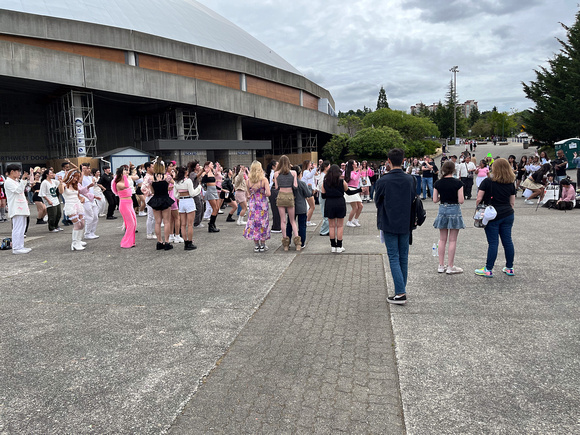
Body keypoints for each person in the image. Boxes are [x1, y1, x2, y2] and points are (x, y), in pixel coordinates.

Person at [374, 148, 415, 304]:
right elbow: (413, 197)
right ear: (403, 160)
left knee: (393, 256)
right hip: (406, 221)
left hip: (389, 221)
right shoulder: (410, 179)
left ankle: (400, 292)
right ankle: (401, 289)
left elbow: (378, 201)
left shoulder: (383, 181)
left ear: (388, 161)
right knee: (403, 256)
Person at [474, 158, 516, 277]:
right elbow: (512, 202)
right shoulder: (510, 182)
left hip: (492, 214)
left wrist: (478, 210)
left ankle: (488, 268)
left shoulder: (487, 182)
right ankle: (509, 267)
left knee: (493, 242)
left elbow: (479, 198)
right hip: (508, 213)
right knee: (507, 241)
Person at [432, 161, 465, 274]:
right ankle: (450, 266)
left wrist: (443, 196)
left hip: (442, 209)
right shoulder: (458, 183)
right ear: (453, 170)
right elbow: (461, 200)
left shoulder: (438, 183)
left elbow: (435, 200)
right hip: (454, 209)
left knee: (442, 239)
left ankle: (441, 265)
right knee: (453, 240)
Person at [321, 164, 361, 253]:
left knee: (331, 226)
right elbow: (349, 192)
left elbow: (323, 196)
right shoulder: (342, 182)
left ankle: (332, 246)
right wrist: (359, 190)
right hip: (340, 202)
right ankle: (339, 246)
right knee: (340, 226)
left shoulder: (325, 182)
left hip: (329, 203)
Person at [273, 155, 300, 251]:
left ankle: (285, 244)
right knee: (292, 221)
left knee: (283, 221)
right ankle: (297, 243)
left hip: (280, 196)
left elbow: (276, 187)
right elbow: (295, 185)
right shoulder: (293, 172)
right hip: (289, 196)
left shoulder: (276, 174)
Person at [243, 160, 271, 252]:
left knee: (253, 223)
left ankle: (256, 245)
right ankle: (263, 245)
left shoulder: (248, 181)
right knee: (263, 222)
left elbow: (248, 194)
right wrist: (262, 192)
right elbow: (268, 193)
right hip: (262, 203)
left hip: (252, 203)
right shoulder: (264, 180)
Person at [4, 164, 32, 254]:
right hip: (16, 207)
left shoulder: (16, 181)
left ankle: (20, 246)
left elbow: (22, 190)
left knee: (22, 227)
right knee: (17, 228)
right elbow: (18, 190)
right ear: (12, 172)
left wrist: (23, 181)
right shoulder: (8, 182)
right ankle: (16, 248)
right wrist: (23, 180)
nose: (20, 173)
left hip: (21, 206)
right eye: (18, 171)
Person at [148, 159, 175, 250]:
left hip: (156, 199)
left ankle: (159, 242)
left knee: (157, 222)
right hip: (165, 198)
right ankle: (167, 242)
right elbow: (174, 184)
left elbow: (152, 191)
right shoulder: (167, 177)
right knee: (167, 222)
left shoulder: (151, 178)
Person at [174, 166, 201, 250]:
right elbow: (192, 193)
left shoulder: (176, 181)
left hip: (181, 202)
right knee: (190, 224)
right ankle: (190, 242)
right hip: (189, 201)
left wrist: (180, 196)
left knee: (183, 224)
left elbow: (176, 195)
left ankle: (185, 242)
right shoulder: (188, 181)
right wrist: (199, 188)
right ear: (186, 172)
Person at [62, 165, 88, 251]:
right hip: (70, 206)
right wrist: (61, 182)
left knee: (82, 223)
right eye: (75, 177)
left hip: (78, 205)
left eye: (77, 178)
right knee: (77, 224)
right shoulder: (64, 185)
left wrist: (82, 199)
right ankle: (74, 243)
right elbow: (61, 191)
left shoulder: (75, 185)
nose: (76, 179)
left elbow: (77, 196)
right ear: (71, 177)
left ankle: (79, 240)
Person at [286, 166, 311, 249]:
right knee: (302, 225)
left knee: (289, 224)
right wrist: (310, 188)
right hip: (301, 207)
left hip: (290, 205)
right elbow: (308, 194)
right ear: (300, 173)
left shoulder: (288, 183)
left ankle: (288, 241)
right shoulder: (301, 183)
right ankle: (302, 242)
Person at [80, 163, 100, 240]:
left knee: (95, 216)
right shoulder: (81, 177)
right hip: (85, 199)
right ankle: (87, 233)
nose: (88, 170)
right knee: (89, 217)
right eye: (86, 168)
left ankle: (92, 232)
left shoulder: (90, 177)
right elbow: (80, 183)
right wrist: (82, 171)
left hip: (92, 198)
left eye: (89, 168)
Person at [201, 161, 221, 233]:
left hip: (215, 191)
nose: (212, 165)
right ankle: (211, 225)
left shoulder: (212, 172)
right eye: (211, 164)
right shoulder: (205, 173)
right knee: (214, 208)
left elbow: (216, 174)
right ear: (208, 165)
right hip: (210, 191)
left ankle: (213, 224)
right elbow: (202, 181)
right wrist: (205, 173)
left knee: (217, 208)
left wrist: (217, 167)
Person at [344, 160, 363, 227]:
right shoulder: (350, 172)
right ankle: (349, 221)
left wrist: (358, 171)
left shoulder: (354, 172)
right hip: (351, 189)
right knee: (355, 207)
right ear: (352, 165)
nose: (356, 164)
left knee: (360, 206)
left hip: (355, 189)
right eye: (355, 163)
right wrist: (359, 171)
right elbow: (355, 178)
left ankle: (355, 219)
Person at [265, 160, 281, 233]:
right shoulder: (273, 173)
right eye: (277, 165)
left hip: (273, 191)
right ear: (273, 166)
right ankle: (276, 227)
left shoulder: (274, 173)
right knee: (276, 210)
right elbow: (273, 182)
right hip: (273, 191)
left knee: (276, 210)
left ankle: (277, 225)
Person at [316, 161, 330, 236]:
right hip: (323, 195)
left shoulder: (324, 175)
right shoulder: (322, 176)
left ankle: (326, 229)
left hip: (325, 195)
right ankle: (323, 231)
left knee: (327, 213)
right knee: (325, 214)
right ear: (326, 167)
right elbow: (321, 186)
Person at [302, 160, 317, 225]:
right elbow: (309, 176)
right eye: (310, 163)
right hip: (308, 189)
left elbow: (311, 180)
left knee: (311, 206)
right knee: (312, 206)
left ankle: (308, 220)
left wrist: (314, 188)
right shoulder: (306, 171)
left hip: (310, 189)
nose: (311, 164)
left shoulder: (308, 171)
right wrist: (315, 169)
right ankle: (307, 221)